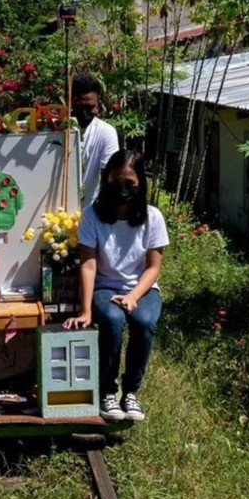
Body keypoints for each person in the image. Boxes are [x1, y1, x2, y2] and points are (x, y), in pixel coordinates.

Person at [64, 150, 168, 422]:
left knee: (144, 322)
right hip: (105, 287)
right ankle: (107, 390)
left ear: (141, 183)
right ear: (106, 180)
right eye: (115, 182)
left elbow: (153, 268)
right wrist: (86, 311)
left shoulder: (153, 217)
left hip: (142, 288)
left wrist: (133, 296)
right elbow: (88, 265)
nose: (122, 189)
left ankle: (130, 391)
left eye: (129, 183)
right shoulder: (91, 215)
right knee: (112, 319)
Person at [71, 73, 120, 206]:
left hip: (89, 208)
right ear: (71, 103)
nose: (85, 114)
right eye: (80, 108)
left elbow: (109, 177)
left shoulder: (106, 133)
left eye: (90, 108)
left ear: (98, 105)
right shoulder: (58, 129)